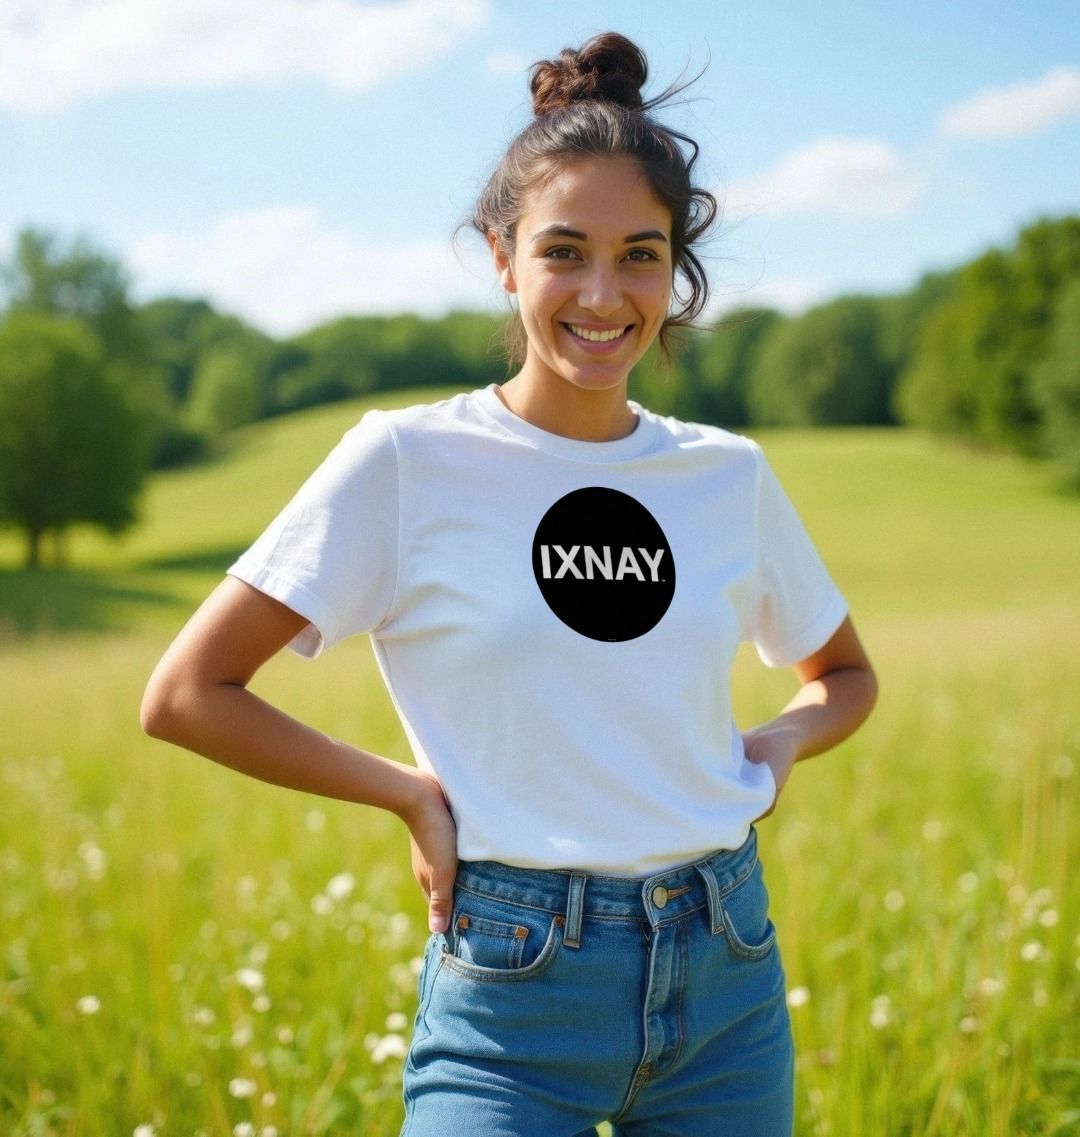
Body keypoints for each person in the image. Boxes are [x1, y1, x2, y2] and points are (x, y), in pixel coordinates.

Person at [141, 31, 877, 1137]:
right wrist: (406, 791)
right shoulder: (404, 463)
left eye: (640, 253)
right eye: (563, 250)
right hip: (513, 989)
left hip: (726, 966)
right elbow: (187, 693)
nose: (602, 293)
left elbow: (846, 675)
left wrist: (779, 742)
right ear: (502, 253)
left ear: (676, 267)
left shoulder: (728, 475)